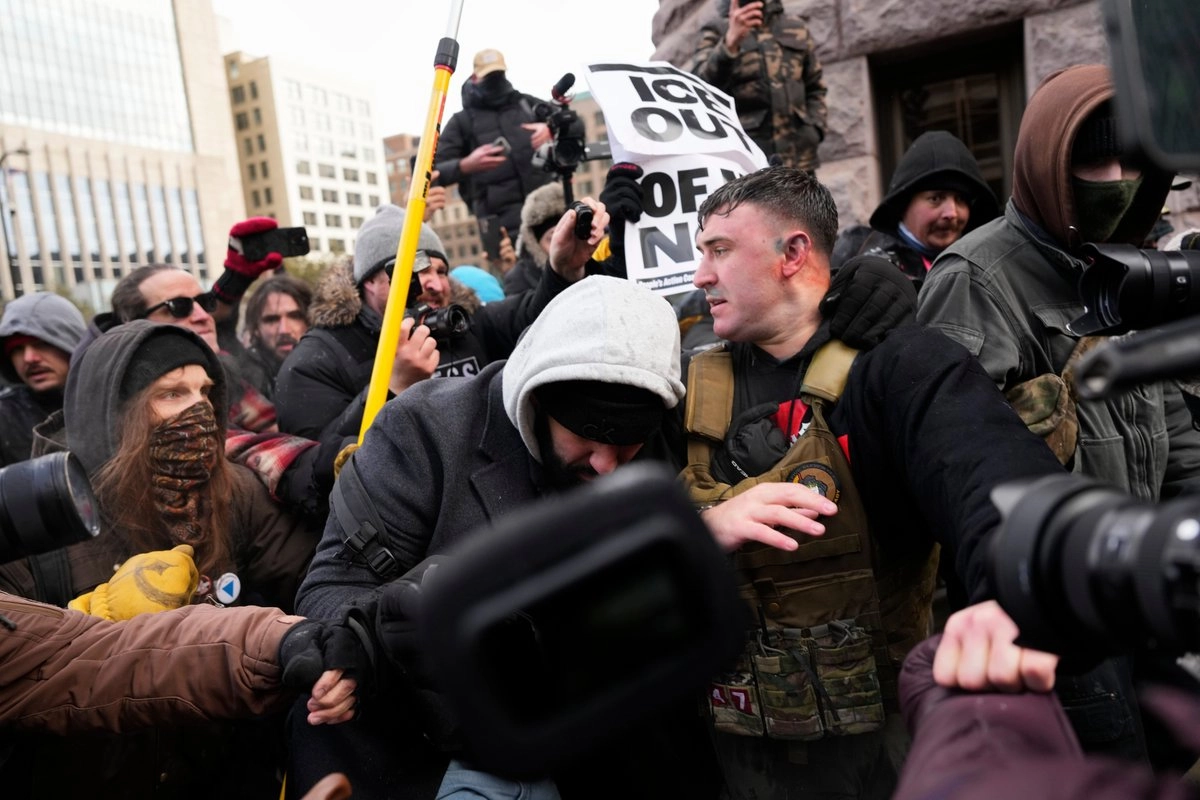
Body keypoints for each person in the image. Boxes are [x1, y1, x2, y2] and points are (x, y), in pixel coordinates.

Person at [676, 166, 1065, 799]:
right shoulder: (690, 387)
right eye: (701, 253)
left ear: (794, 253)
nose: (701, 276)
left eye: (720, 250)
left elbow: (990, 475)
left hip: (887, 761)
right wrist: (698, 528)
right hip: (737, 760)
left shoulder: (900, 365)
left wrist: (1012, 596)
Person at [288, 276, 720, 800]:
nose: (607, 465)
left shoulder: (666, 439)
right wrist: (404, 625)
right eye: (586, 436)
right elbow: (327, 593)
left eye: (628, 444)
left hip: (608, 740)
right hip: (446, 748)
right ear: (536, 399)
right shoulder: (423, 431)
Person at [916, 64, 1200, 761]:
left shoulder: (1133, 272)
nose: (1116, 177)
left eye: (1132, 158)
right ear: (1048, 160)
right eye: (1093, 159)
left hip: (1144, 586)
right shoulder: (975, 280)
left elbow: (1177, 435)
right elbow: (957, 469)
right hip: (1053, 613)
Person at [274, 199, 605, 455]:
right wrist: (393, 389)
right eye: (415, 268)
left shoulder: (468, 323)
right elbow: (317, 467)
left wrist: (562, 269)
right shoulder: (319, 359)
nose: (433, 283)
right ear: (369, 282)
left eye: (442, 270)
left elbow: (539, 316)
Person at [433, 48, 556, 245]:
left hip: (550, 214)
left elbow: (574, 126)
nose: (495, 81)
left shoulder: (527, 104)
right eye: (489, 76)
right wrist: (466, 165)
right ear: (474, 78)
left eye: (498, 74)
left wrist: (551, 128)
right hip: (501, 229)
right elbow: (429, 171)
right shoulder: (461, 122)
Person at [689, 0, 828, 171]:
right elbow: (699, 89)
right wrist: (729, 44)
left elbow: (815, 85)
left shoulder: (795, 27)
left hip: (800, 161)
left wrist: (815, 129)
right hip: (748, 163)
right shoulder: (716, 30)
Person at [859, 130, 999, 285]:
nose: (952, 213)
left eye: (961, 199)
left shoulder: (987, 269)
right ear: (904, 206)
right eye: (936, 198)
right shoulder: (870, 270)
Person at [0, 292, 85, 467]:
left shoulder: (117, 401)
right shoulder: (5, 418)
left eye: (42, 344)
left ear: (74, 343)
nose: (29, 358)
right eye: (16, 349)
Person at [239, 273, 312, 400]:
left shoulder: (335, 368)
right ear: (256, 329)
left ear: (311, 320)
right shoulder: (242, 381)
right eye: (271, 319)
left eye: (295, 316)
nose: (284, 330)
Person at [504, 181, 565, 296]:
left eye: (563, 233)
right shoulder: (518, 278)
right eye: (550, 238)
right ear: (535, 242)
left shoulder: (588, 265)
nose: (559, 241)